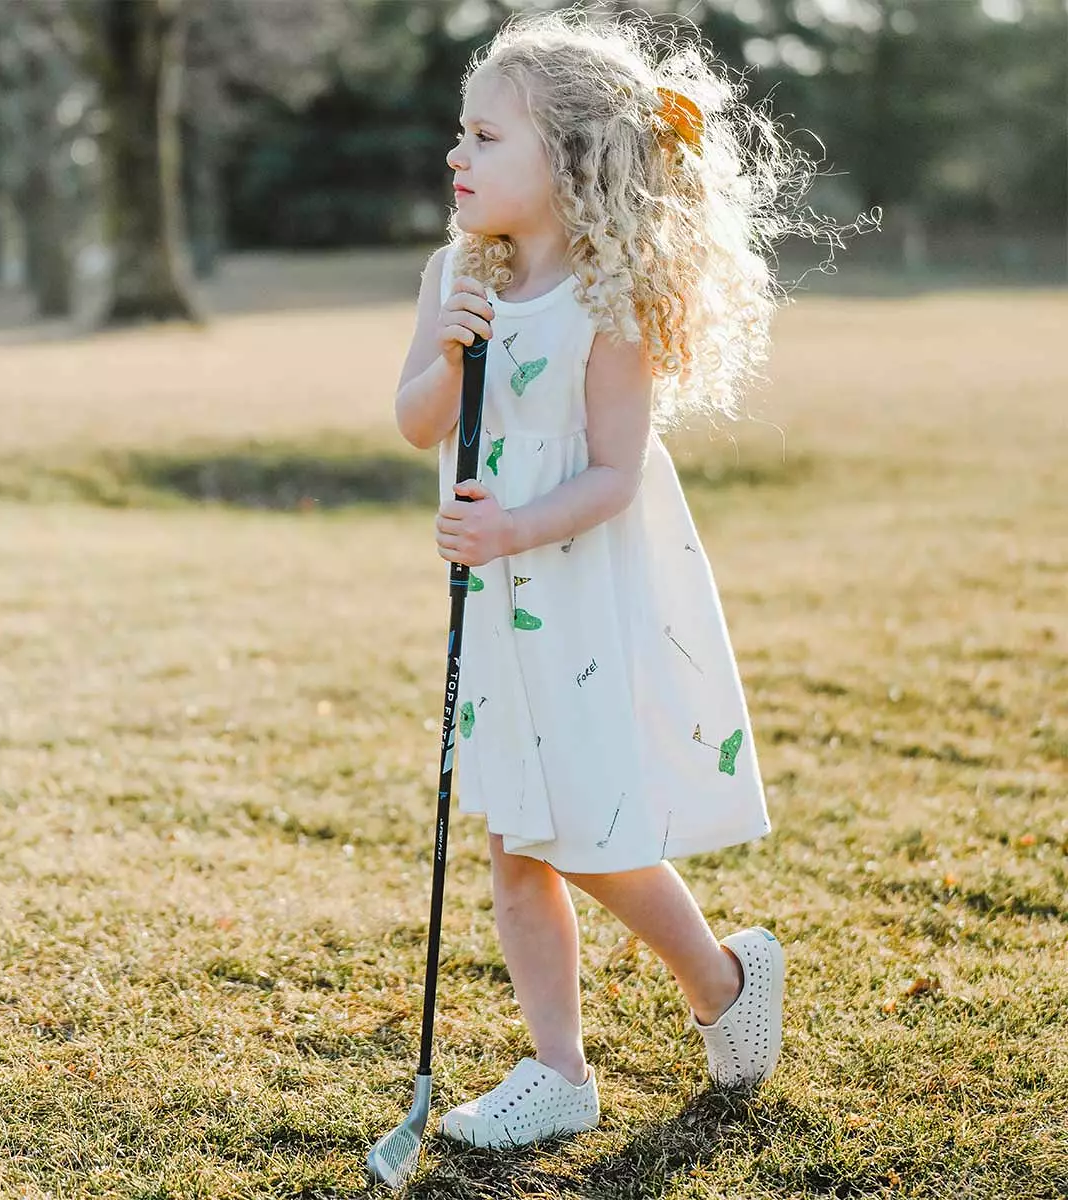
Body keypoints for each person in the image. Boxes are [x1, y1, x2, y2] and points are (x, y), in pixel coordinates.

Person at [393, 7, 832, 1150]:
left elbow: (614, 478)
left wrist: (515, 526)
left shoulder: (608, 297)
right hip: (493, 605)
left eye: (486, 138)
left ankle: (725, 980)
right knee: (513, 838)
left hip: (579, 590)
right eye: (461, 135)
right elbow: (412, 425)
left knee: (586, 831)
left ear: (572, 161)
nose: (457, 156)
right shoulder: (456, 272)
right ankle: (560, 1069)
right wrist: (450, 342)